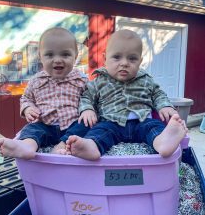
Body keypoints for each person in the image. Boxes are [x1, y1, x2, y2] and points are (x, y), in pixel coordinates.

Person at [66, 29, 188, 160]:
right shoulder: (99, 81)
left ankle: (163, 142)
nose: (124, 63)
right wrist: (87, 109)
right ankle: (91, 146)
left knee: (154, 127)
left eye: (132, 58)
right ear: (105, 59)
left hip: (141, 121)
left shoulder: (145, 79)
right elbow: (86, 96)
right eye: (117, 57)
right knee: (100, 132)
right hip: (111, 122)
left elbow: (158, 94)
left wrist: (165, 106)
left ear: (140, 61)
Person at [0, 27, 90, 159]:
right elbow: (26, 98)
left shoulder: (81, 80)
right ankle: (27, 146)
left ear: (75, 56)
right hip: (46, 126)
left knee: (85, 124)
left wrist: (88, 110)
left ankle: (63, 145)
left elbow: (91, 98)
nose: (57, 60)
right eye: (50, 55)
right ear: (41, 57)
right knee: (31, 128)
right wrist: (28, 108)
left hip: (72, 126)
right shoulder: (36, 80)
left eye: (65, 54)